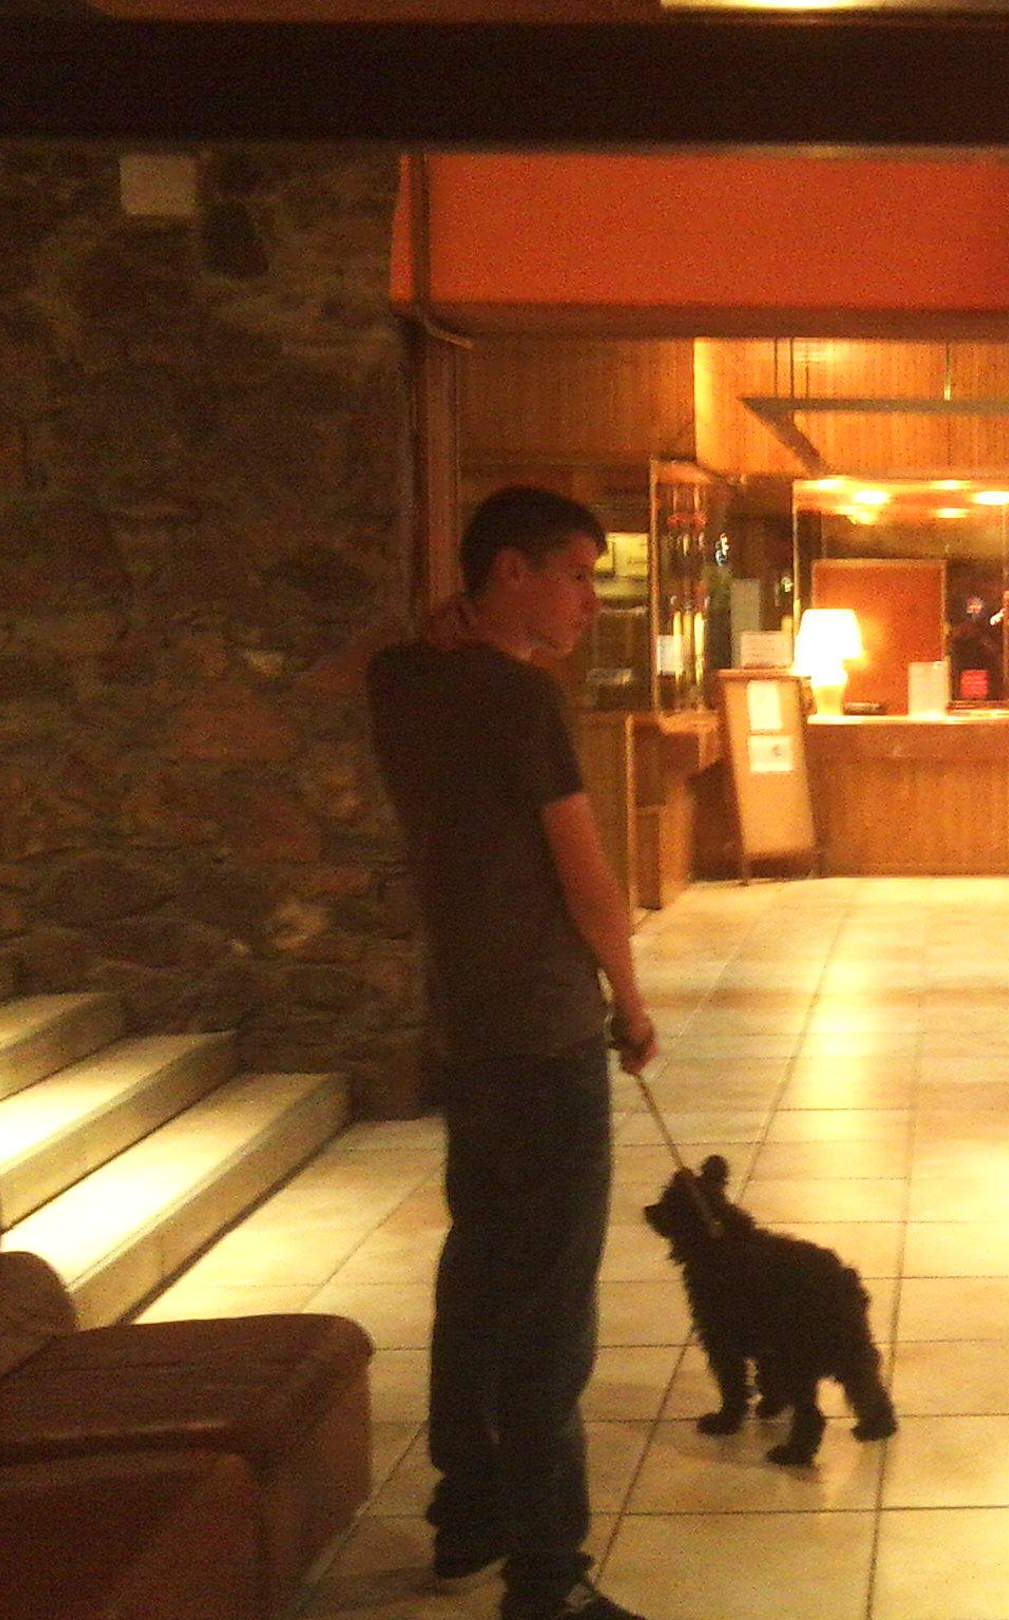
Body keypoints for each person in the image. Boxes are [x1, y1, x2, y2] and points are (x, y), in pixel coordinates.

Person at [367, 486, 659, 1620]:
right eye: (576, 574)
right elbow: (585, 875)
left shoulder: (404, 681)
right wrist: (629, 997)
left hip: (469, 1025)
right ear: (508, 572)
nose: (592, 599)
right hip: (544, 1028)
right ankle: (547, 1578)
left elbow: (350, 665)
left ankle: (469, 1519)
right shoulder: (522, 700)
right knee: (548, 1309)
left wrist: (430, 625)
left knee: (478, 1273)